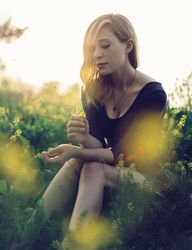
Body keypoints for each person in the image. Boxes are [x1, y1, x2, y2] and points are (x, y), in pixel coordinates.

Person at [41, 13, 167, 249]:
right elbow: (99, 146)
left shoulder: (153, 94)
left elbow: (125, 154)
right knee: (77, 163)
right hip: (109, 168)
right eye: (91, 49)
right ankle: (29, 231)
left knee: (91, 168)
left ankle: (74, 244)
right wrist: (84, 138)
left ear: (128, 45)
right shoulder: (93, 90)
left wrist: (76, 151)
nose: (96, 54)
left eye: (105, 45)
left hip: (146, 180)